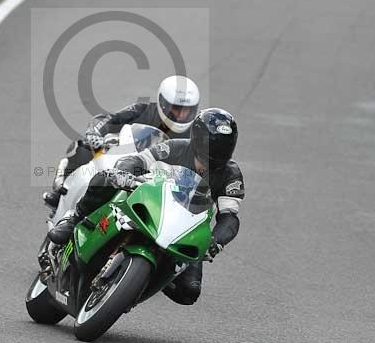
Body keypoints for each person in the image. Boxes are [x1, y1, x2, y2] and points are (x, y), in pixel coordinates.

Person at [48, 108, 245, 306]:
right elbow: (139, 159)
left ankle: (139, 284)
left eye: (221, 152)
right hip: (152, 204)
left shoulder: (231, 174)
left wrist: (215, 241)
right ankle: (74, 219)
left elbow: (229, 217)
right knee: (106, 178)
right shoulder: (175, 147)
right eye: (208, 149)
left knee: (189, 292)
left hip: (185, 228)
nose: (212, 158)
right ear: (197, 140)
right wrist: (125, 173)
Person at [43, 75, 200, 209]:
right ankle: (62, 189)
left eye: (187, 110)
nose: (181, 115)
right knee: (84, 146)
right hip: (128, 161)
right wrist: (94, 132)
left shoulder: (197, 129)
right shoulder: (143, 110)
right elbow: (109, 119)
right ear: (163, 102)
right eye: (176, 108)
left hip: (165, 180)